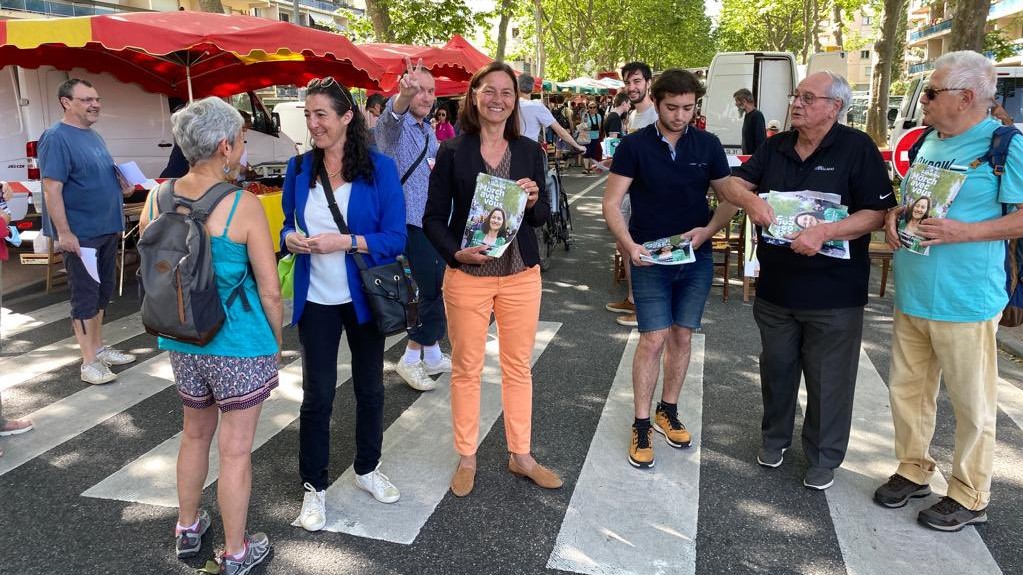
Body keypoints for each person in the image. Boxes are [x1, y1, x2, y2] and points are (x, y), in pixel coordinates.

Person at [717, 71, 894, 491]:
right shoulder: (776, 145)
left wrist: (824, 233)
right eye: (796, 95)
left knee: (828, 379)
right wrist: (751, 200)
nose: (796, 103)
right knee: (776, 369)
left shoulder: (857, 148)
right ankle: (774, 439)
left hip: (834, 293)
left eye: (808, 97)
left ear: (835, 107)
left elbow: (876, 212)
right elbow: (732, 184)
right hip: (776, 288)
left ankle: (823, 456)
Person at [875, 51, 1023, 532]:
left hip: (966, 299)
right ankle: (913, 468)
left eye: (933, 93)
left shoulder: (1007, 144)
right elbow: (912, 201)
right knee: (909, 392)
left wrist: (966, 232)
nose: (924, 101)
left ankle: (969, 493)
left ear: (965, 97)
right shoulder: (925, 142)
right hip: (914, 289)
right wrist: (896, 219)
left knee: (971, 403)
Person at [138, 97, 281, 573]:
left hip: (181, 337)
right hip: (237, 344)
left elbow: (151, 264)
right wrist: (275, 343)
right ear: (224, 146)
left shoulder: (158, 197)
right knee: (236, 450)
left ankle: (187, 526)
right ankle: (237, 551)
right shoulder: (243, 206)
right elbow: (270, 290)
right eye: (240, 139)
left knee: (194, 435)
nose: (243, 148)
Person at [423, 61, 562, 497]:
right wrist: (454, 252)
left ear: (515, 101)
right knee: (466, 369)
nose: (498, 99)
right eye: (490, 91)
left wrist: (537, 199)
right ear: (474, 96)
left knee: (518, 368)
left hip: (520, 273)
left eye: (507, 92)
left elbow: (541, 217)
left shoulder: (529, 152)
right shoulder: (452, 152)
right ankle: (467, 455)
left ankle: (520, 454)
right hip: (469, 273)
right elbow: (432, 218)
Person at [281, 77, 408, 531]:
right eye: (308, 115)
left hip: (364, 298)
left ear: (347, 117)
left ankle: (367, 468)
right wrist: (290, 239)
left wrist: (347, 241)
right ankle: (312, 486)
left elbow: (395, 238)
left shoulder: (379, 169)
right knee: (316, 397)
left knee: (370, 389)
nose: (313, 124)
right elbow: (285, 227)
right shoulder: (297, 169)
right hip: (315, 299)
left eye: (322, 115)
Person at [602, 69, 738, 470]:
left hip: (696, 257)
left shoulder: (708, 144)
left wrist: (708, 230)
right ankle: (642, 423)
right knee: (653, 338)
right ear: (656, 103)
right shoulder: (634, 145)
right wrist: (630, 248)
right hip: (649, 257)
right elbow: (611, 203)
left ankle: (668, 410)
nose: (680, 115)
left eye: (688, 108)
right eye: (672, 107)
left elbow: (730, 198)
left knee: (682, 335)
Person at [38, 78, 137, 386]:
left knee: (101, 293)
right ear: (66, 102)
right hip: (81, 233)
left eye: (96, 99)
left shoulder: (93, 136)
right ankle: (88, 362)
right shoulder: (56, 137)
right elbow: (52, 188)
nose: (95, 104)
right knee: (85, 296)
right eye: (86, 100)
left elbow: (98, 176)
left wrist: (124, 187)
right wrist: (64, 233)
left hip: (106, 227)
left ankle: (98, 347)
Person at [376, 58, 451, 392]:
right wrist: (402, 97)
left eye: (432, 91)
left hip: (431, 220)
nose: (427, 96)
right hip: (407, 222)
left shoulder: (428, 130)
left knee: (436, 286)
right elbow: (390, 119)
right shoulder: (397, 127)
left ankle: (432, 353)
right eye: (420, 90)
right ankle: (410, 358)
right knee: (429, 289)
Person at [606, 61, 659, 328]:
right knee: (623, 244)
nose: (631, 87)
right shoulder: (633, 116)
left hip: (643, 193)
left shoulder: (655, 115)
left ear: (648, 83)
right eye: (627, 82)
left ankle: (642, 306)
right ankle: (631, 297)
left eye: (637, 81)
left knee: (638, 246)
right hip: (626, 190)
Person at [516, 73, 586, 152]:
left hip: (511, 152)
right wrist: (578, 146)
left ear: (517, 87)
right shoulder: (537, 106)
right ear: (533, 88)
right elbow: (560, 132)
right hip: (530, 152)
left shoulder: (510, 106)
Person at [734, 88, 767, 155]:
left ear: (744, 101)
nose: (736, 104)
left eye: (737, 101)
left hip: (754, 161)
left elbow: (760, 141)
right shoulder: (747, 116)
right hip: (749, 159)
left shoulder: (757, 115)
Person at [580, 101, 604, 174]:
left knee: (593, 153)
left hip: (595, 137)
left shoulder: (598, 116)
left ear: (596, 108)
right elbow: (583, 126)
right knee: (587, 152)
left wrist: (590, 128)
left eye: (594, 107)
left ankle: (590, 167)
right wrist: (590, 128)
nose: (592, 109)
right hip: (587, 137)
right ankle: (586, 168)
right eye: (590, 107)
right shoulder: (585, 115)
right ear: (588, 108)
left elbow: (599, 127)